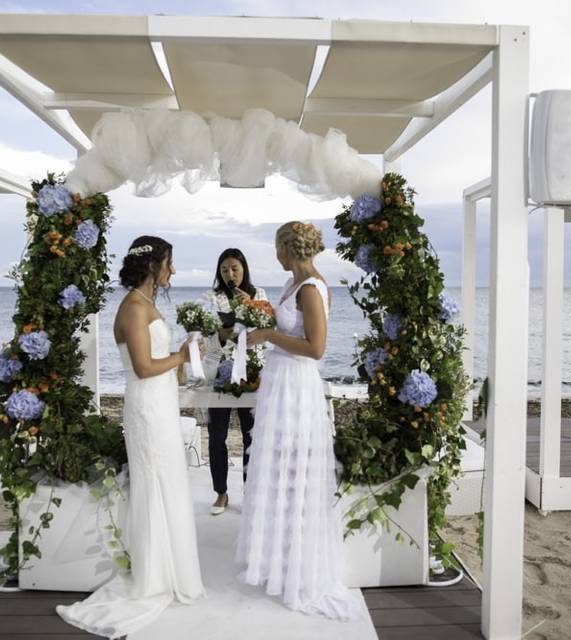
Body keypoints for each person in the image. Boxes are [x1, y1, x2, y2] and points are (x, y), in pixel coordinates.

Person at [57, 236, 205, 638]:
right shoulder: (134, 308)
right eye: (169, 264)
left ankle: (165, 567)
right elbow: (142, 366)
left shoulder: (146, 305)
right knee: (155, 483)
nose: (172, 271)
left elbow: (157, 362)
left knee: (167, 483)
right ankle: (154, 577)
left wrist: (179, 354)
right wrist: (185, 355)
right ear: (154, 265)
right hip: (147, 405)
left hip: (159, 402)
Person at [236, 222, 368, 620]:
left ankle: (299, 569)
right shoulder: (294, 284)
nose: (274, 253)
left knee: (295, 472)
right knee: (279, 471)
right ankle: (278, 561)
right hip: (279, 384)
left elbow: (316, 348)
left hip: (297, 386)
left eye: (276, 246)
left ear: (288, 248)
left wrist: (267, 336)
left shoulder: (311, 287)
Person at [201, 248, 268, 516]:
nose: (230, 274)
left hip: (251, 371)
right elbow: (208, 339)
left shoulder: (258, 293)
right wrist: (225, 331)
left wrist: (249, 306)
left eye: (235, 269)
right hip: (220, 372)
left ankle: (250, 495)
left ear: (244, 269)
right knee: (217, 436)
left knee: (251, 435)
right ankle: (221, 493)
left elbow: (266, 331)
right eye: (225, 269)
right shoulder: (212, 298)